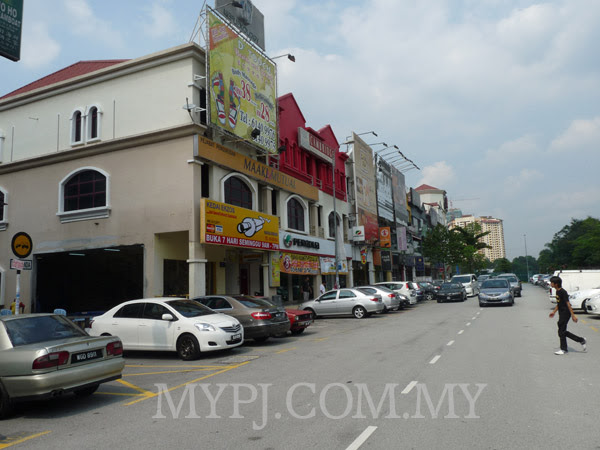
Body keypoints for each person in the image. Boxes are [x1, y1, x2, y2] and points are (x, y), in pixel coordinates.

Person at [549, 276, 586, 355]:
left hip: (566, 313)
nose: (550, 284)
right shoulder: (557, 291)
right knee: (561, 331)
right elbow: (559, 304)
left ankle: (564, 349)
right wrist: (554, 312)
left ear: (556, 284)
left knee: (561, 331)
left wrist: (573, 315)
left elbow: (568, 304)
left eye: (552, 282)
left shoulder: (563, 292)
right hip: (561, 312)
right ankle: (581, 340)